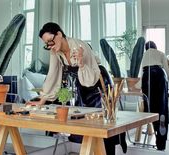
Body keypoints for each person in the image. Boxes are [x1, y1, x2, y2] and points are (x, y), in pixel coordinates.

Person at [27, 22, 127, 155]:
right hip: (82, 87)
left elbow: (90, 78)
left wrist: (81, 64)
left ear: (59, 34)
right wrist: (43, 98)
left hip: (97, 84)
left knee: (104, 128)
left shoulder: (79, 47)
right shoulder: (55, 51)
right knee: (85, 128)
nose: (50, 46)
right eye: (47, 44)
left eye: (50, 41)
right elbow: (53, 75)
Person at [141, 41, 169, 150]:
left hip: (146, 78)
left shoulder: (144, 56)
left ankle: (153, 127)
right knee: (162, 109)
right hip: (159, 77)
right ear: (156, 46)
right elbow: (168, 74)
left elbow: (140, 75)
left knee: (151, 109)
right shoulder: (160, 53)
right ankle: (161, 144)